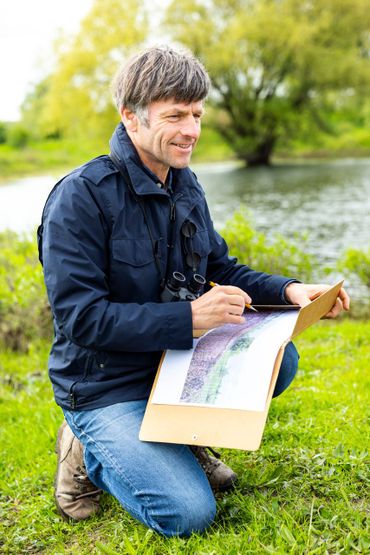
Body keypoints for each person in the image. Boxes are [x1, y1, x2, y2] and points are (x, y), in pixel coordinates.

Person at [38, 46, 350, 537]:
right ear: (131, 118)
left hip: (169, 363)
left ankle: (179, 434)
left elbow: (221, 267)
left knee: (280, 360)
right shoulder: (79, 198)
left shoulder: (185, 182)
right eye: (176, 115)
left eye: (198, 114)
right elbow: (82, 319)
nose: (192, 130)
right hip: (104, 385)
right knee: (188, 514)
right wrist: (190, 320)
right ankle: (84, 448)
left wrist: (289, 290)